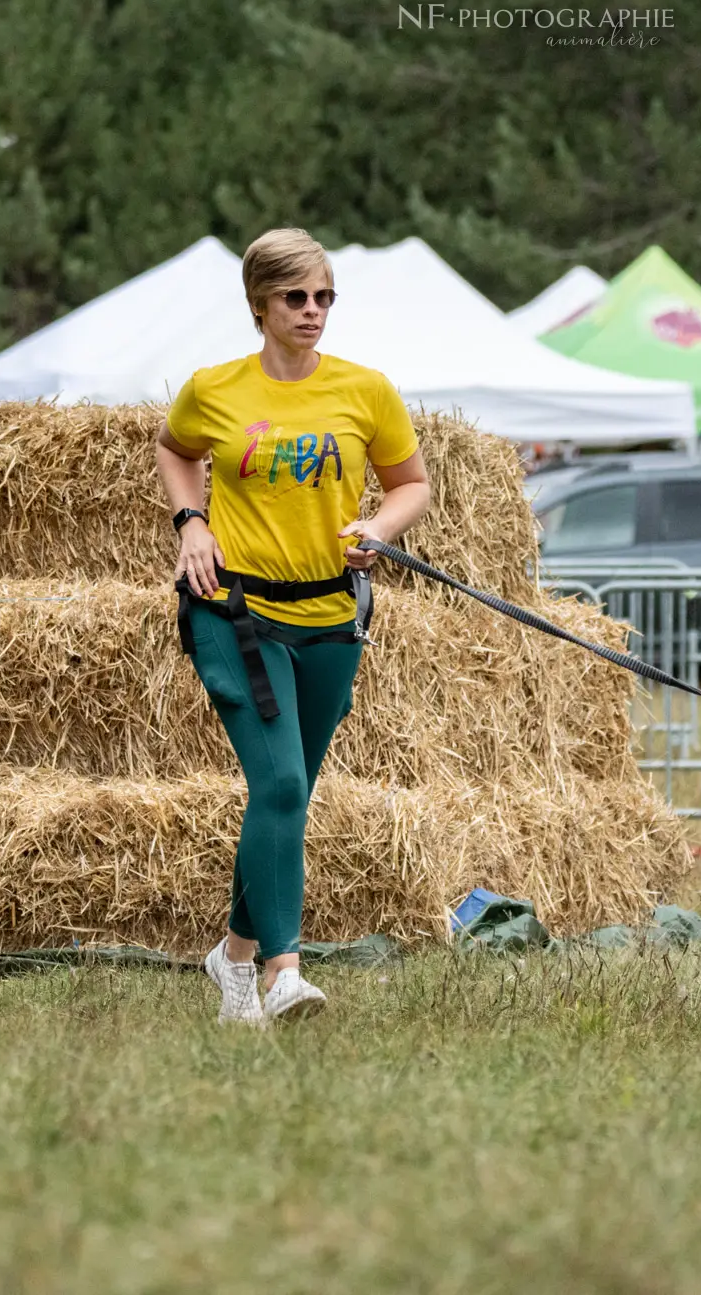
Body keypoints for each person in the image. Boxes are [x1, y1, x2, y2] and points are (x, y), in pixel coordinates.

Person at [154, 227, 432, 1026]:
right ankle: (283, 974)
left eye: (324, 298)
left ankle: (232, 955)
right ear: (259, 305)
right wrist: (191, 523)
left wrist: (380, 527)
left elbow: (412, 483)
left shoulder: (365, 390)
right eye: (296, 298)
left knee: (288, 795)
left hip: (330, 616)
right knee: (276, 783)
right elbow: (175, 451)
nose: (313, 312)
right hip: (234, 610)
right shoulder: (215, 389)